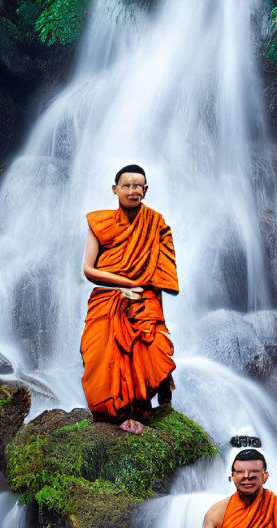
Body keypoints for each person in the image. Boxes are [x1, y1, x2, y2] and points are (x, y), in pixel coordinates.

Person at [80, 164, 179, 435]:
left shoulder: (156, 223)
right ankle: (117, 414)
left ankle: (149, 409)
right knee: (104, 354)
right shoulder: (100, 223)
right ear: (115, 190)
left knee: (156, 348)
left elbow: (160, 273)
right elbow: (88, 270)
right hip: (108, 295)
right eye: (127, 185)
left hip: (145, 299)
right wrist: (124, 285)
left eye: (138, 186)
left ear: (145, 191)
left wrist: (143, 295)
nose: (133, 190)